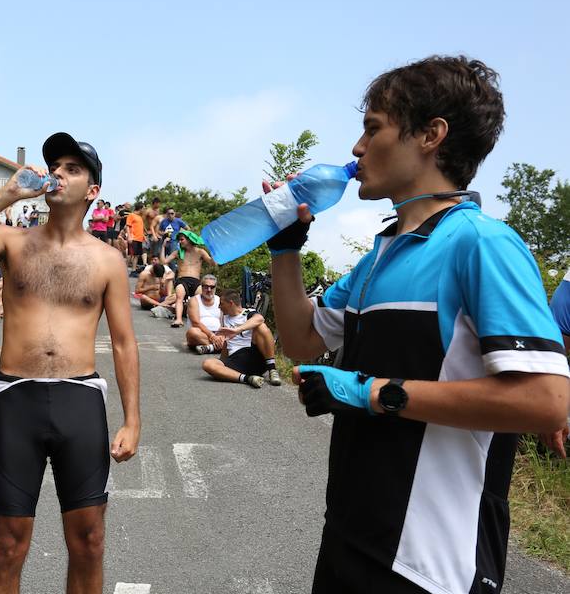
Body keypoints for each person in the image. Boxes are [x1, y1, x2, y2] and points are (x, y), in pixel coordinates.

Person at [269, 56, 569, 594]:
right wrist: (286, 247)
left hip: (430, 564)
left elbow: (545, 400)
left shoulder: (482, 243)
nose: (357, 149)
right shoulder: (379, 256)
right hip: (350, 534)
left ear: (430, 135)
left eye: (372, 128)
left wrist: (376, 392)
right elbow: (302, 341)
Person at [0, 132, 140, 594]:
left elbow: (125, 343)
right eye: (56, 166)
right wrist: (8, 193)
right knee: (8, 545)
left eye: (72, 168)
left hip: (81, 399)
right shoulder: (12, 242)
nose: (58, 174)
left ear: (92, 191)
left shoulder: (107, 260)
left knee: (89, 541)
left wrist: (132, 420)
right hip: (15, 397)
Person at [201, 289, 282, 388]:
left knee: (261, 327)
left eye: (221, 304)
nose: (219, 307)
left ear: (230, 303)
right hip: (236, 361)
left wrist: (237, 330)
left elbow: (260, 319)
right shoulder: (224, 318)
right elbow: (227, 343)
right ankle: (248, 379)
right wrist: (221, 362)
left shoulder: (248, 313)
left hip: (253, 356)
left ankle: (272, 369)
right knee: (208, 364)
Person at [160, 229, 216, 328]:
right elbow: (164, 261)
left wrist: (213, 250)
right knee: (179, 297)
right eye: (179, 240)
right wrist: (163, 247)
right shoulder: (178, 252)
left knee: (200, 299)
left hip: (196, 280)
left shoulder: (200, 252)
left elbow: (212, 263)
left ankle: (200, 321)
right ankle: (178, 319)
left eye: (182, 239)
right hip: (182, 279)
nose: (180, 242)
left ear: (189, 240)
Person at [184, 275, 223, 350]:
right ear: (201, 287)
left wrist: (221, 335)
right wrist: (212, 336)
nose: (209, 290)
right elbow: (195, 322)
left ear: (215, 287)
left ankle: (211, 347)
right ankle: (219, 347)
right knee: (192, 332)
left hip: (218, 333)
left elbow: (224, 321)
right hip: (202, 334)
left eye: (212, 287)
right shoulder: (194, 300)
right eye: (206, 287)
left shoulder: (220, 300)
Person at [125, 202, 146, 275]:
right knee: (131, 255)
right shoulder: (131, 215)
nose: (144, 209)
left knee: (136, 255)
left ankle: (133, 270)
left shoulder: (140, 217)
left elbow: (140, 228)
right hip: (133, 238)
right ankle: (124, 270)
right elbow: (128, 226)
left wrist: (143, 236)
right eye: (144, 208)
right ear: (140, 208)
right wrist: (129, 236)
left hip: (139, 239)